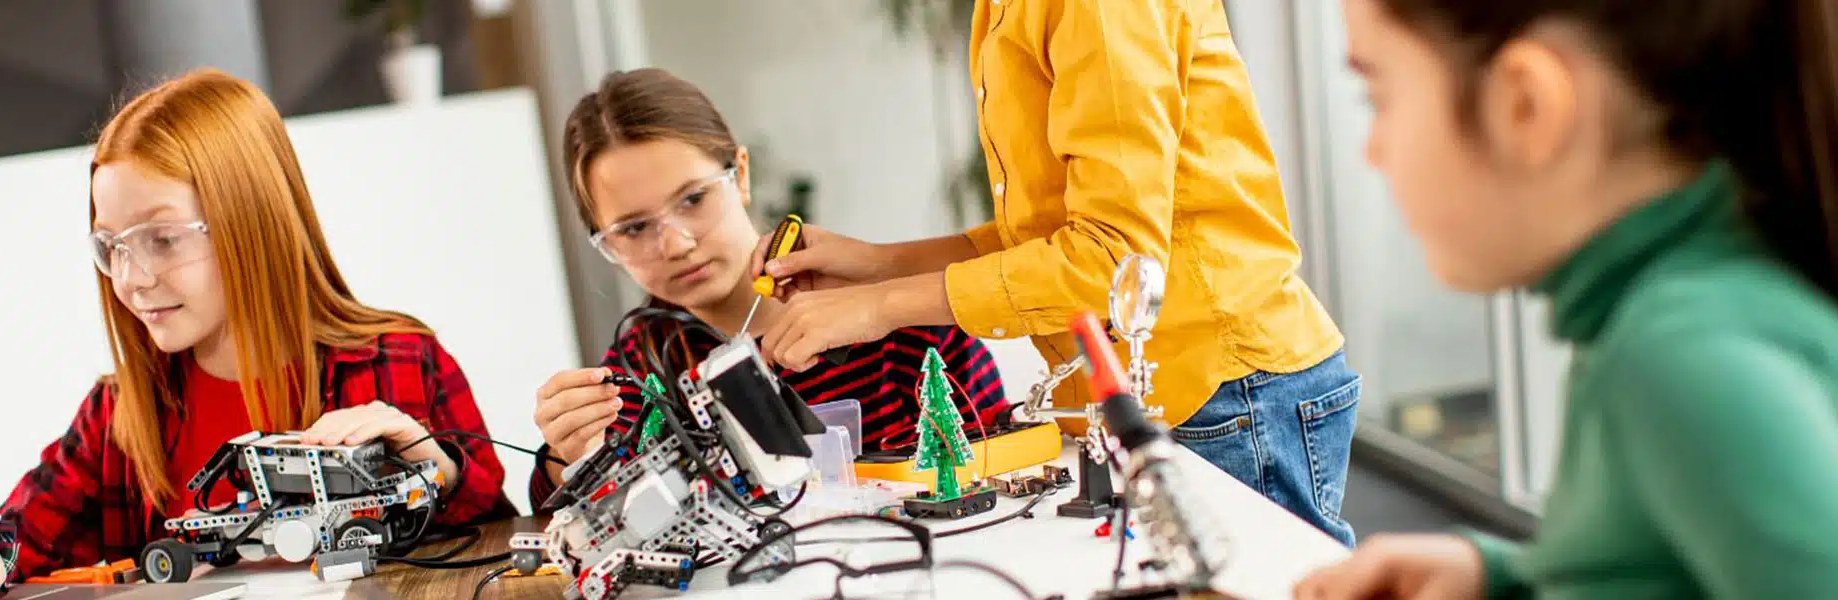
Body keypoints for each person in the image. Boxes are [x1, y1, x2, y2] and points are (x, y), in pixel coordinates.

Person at [750, 1, 1359, 543]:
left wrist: (880, 308)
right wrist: (875, 269)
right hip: (1162, 398)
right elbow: (1049, 238)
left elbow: (1112, 261)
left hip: (1225, 393)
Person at [1293, 1, 1838, 598]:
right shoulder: (1668, 304)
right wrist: (1503, 579)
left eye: (1378, 100)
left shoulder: (1677, 357)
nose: (1372, 151)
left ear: (1524, 106)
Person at [0, 69, 514, 596]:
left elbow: (499, 554)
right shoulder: (120, 412)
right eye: (111, 247)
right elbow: (21, 533)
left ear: (252, 220)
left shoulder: (401, 364)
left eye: (162, 239)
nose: (131, 279)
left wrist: (434, 467)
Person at [527, 68, 1012, 510]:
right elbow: (587, 519)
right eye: (633, 229)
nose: (676, 244)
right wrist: (564, 455)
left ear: (741, 175)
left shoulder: (896, 318)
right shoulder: (637, 370)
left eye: (694, 199)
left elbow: (1010, 464)